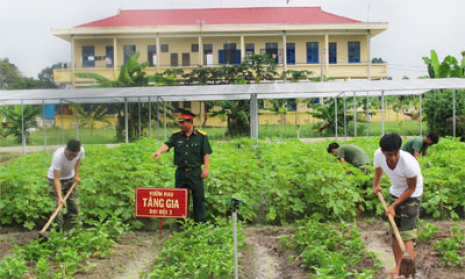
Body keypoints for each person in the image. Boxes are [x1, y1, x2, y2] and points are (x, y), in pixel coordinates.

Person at [372, 133, 423, 276]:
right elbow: (378, 167)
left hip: (412, 195)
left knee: (406, 235)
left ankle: (408, 272)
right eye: (389, 154)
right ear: (383, 151)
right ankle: (398, 266)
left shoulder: (409, 163)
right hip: (395, 191)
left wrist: (393, 206)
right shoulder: (378, 155)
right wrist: (376, 184)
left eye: (396, 153)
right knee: (394, 232)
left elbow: (411, 188)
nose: (393, 158)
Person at [152, 109, 212, 224]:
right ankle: (181, 225)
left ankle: (200, 224)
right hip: (181, 173)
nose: (180, 125)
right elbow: (167, 144)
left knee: (198, 199)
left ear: (190, 122)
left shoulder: (201, 136)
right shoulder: (176, 136)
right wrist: (159, 151)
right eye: (179, 122)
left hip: (195, 173)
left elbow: (206, 153)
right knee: (180, 200)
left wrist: (206, 169)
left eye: (183, 122)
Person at [47, 139, 85, 231]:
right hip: (55, 179)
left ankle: (75, 230)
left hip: (70, 178)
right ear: (66, 149)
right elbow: (56, 179)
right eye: (70, 155)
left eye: (74, 155)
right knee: (57, 208)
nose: (72, 158)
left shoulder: (81, 151)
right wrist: (60, 197)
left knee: (74, 205)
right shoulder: (58, 156)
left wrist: (76, 175)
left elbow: (78, 160)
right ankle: (57, 233)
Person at [327, 142, 371, 216]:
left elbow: (343, 164)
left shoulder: (340, 149)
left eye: (332, 153)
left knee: (359, 189)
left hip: (361, 167)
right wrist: (349, 171)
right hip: (367, 166)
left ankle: (359, 212)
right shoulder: (345, 147)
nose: (334, 155)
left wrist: (343, 174)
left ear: (334, 149)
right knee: (362, 189)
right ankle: (361, 210)